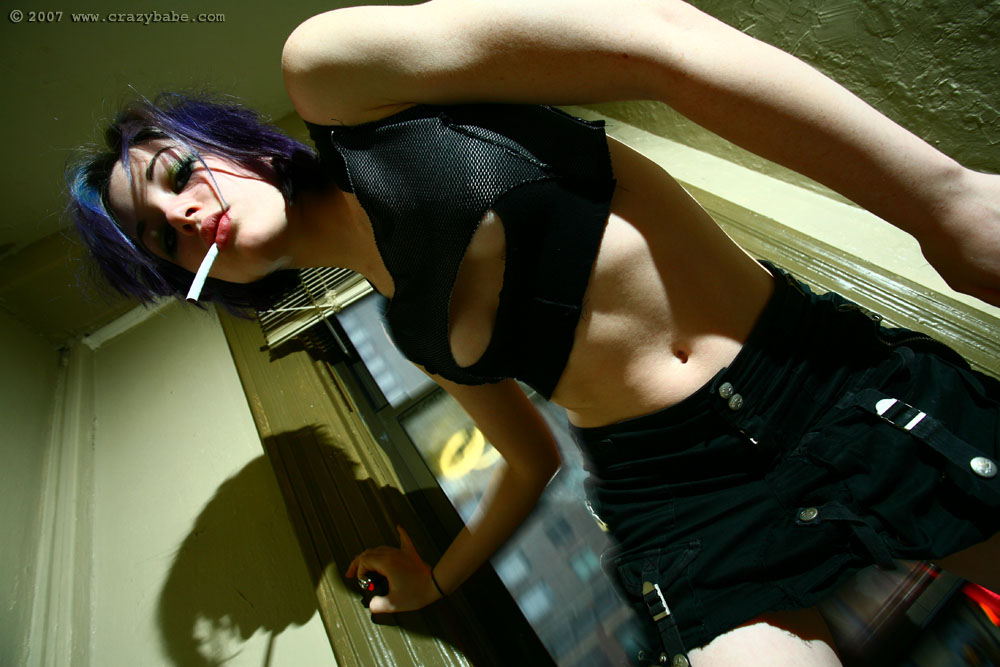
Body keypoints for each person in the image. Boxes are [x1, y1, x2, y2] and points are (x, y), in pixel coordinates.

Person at [67, 1, 1000, 664]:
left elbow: (658, 37)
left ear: (225, 142)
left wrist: (942, 200)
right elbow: (529, 461)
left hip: (815, 374)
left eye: (175, 172)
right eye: (160, 239)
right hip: (677, 500)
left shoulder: (337, 82)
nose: (182, 214)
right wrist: (438, 581)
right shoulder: (411, 325)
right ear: (200, 282)